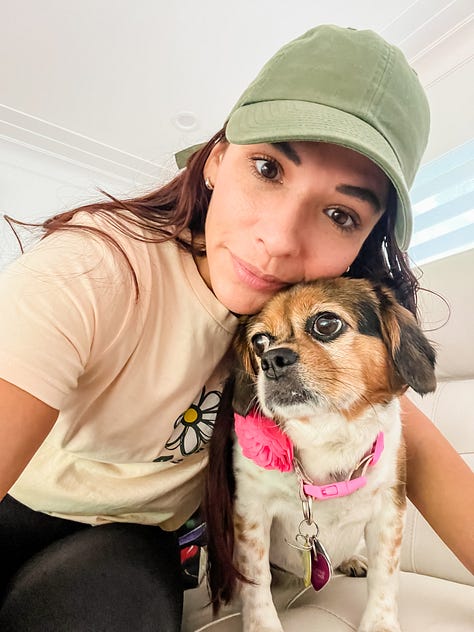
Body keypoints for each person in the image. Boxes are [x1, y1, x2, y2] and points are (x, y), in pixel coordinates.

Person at [0, 24, 472, 632]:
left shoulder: (311, 326)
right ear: (217, 158)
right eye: (268, 169)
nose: (276, 240)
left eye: (339, 214)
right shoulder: (96, 270)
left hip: (130, 547)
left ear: (362, 244)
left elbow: (419, 454)